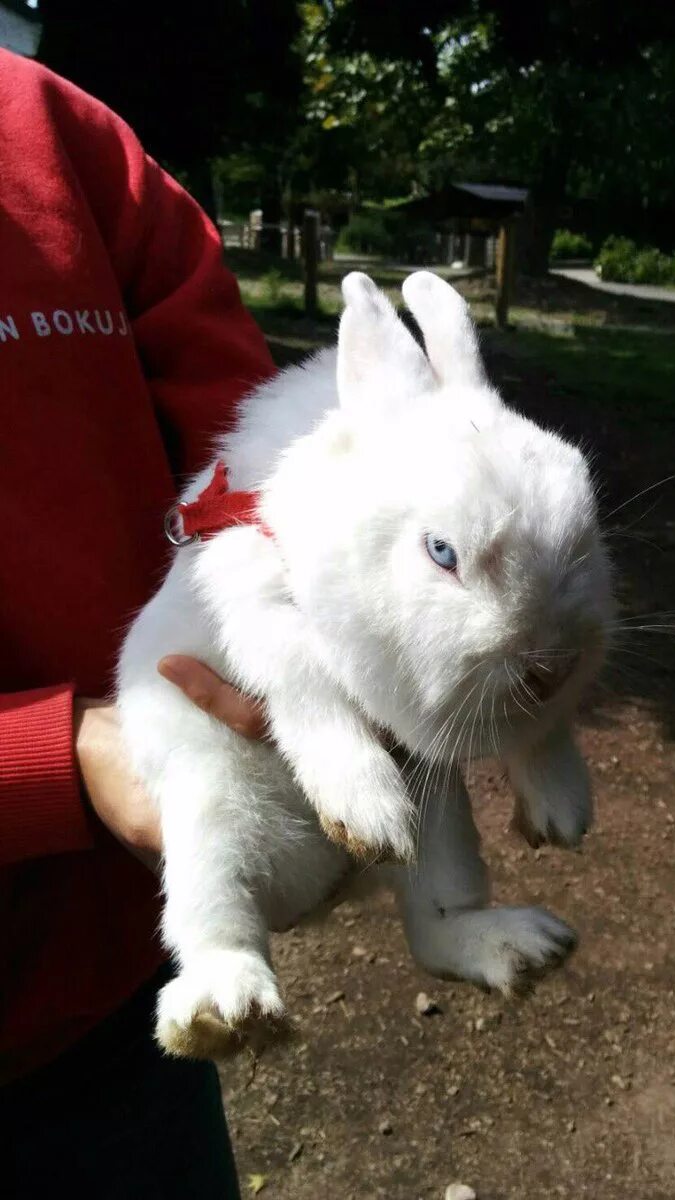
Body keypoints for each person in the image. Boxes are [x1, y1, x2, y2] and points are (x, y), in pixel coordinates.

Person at [0, 48, 277, 1197]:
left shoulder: (49, 132)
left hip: (111, 1005)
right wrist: (55, 758)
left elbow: (251, 466)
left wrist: (319, 625)